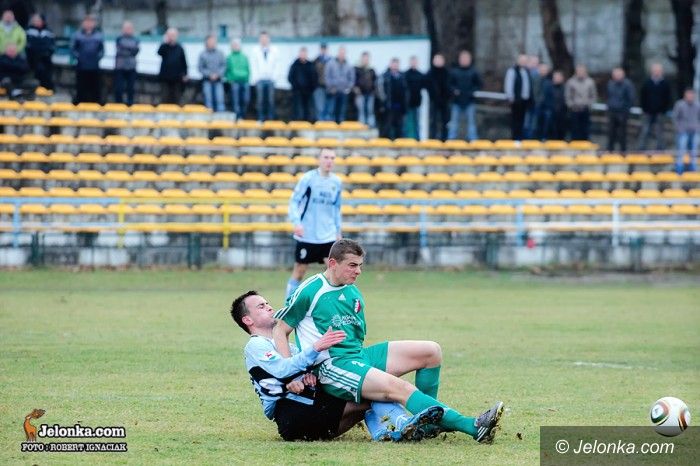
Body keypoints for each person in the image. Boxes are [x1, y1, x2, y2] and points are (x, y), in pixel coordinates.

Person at [273, 239, 505, 444]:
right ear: (333, 263)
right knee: (400, 388)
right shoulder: (310, 290)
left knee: (431, 351)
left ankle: (429, 424)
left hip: (358, 356)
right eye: (352, 265)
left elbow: (356, 337)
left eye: (360, 265)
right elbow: (280, 330)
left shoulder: (352, 292)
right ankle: (473, 426)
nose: (358, 271)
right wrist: (292, 373)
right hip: (332, 365)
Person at [230, 290, 443, 442]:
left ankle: (384, 432)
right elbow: (283, 370)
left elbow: (297, 369)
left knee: (367, 390)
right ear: (247, 320)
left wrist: (307, 375)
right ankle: (405, 422)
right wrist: (316, 348)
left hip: (311, 409)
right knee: (368, 389)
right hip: (294, 413)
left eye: (267, 303)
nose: (269, 307)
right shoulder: (256, 345)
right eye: (261, 306)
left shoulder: (288, 346)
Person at [285, 148, 342, 300]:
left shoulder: (336, 182)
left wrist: (338, 231)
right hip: (307, 235)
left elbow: (336, 208)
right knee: (299, 271)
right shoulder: (308, 179)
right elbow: (294, 201)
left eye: (332, 158)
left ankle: (330, 307)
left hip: (328, 235)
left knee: (333, 272)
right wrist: (297, 223)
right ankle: (288, 306)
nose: (329, 161)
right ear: (319, 159)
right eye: (326, 157)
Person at [638, 63, 672, 151]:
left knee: (660, 132)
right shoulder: (647, 83)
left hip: (660, 112)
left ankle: (660, 149)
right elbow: (642, 97)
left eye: (658, 70)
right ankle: (641, 149)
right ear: (652, 71)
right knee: (645, 131)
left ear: (661, 72)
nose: (656, 72)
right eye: (655, 70)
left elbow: (668, 98)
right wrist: (644, 109)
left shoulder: (665, 84)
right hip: (648, 112)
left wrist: (664, 110)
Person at [448, 50, 482, 141]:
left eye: (466, 58)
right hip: (457, 101)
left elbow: (479, 84)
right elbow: (449, 84)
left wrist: (472, 92)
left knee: (471, 122)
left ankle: (472, 138)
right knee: (454, 122)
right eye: (463, 58)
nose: (464, 60)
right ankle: (451, 138)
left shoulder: (474, 72)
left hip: (470, 101)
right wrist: (454, 90)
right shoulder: (454, 72)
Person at [71, 14, 104, 104]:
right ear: (83, 23)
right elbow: (73, 49)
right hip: (81, 66)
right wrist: (79, 58)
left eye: (90, 22)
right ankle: (80, 101)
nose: (88, 24)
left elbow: (101, 50)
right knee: (81, 86)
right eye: (87, 22)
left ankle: (95, 102)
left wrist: (97, 58)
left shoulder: (98, 36)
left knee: (95, 86)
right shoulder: (77, 35)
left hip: (94, 66)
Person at [250, 31, 280, 121]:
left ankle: (270, 119)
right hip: (260, 80)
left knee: (271, 100)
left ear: (269, 39)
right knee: (260, 100)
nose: (264, 40)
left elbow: (277, 65)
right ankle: (261, 118)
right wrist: (256, 78)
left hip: (271, 79)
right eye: (262, 38)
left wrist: (274, 78)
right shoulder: (255, 50)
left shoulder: (275, 50)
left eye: (265, 38)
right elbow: (253, 65)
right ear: (259, 39)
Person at [606, 67, 635, 153]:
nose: (617, 76)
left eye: (619, 74)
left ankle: (623, 151)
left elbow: (631, 98)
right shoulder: (610, 83)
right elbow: (608, 96)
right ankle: (610, 151)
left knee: (622, 133)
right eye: (615, 75)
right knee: (611, 132)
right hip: (612, 111)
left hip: (622, 112)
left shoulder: (628, 84)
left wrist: (626, 109)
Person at [504, 54, 532, 141]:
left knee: (522, 120)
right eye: (522, 60)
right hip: (516, 100)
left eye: (525, 61)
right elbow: (509, 85)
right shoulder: (512, 71)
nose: (523, 62)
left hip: (525, 100)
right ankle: (515, 138)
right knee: (515, 120)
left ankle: (520, 138)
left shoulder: (526, 71)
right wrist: (511, 97)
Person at [378, 58, 408, 140]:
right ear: (390, 64)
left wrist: (405, 104)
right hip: (389, 105)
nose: (395, 66)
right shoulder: (385, 76)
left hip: (399, 106)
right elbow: (381, 91)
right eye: (393, 64)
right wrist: (384, 102)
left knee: (399, 126)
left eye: (396, 64)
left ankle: (399, 141)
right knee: (387, 126)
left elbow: (405, 91)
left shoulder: (402, 76)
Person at [565, 64, 597, 141]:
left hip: (585, 109)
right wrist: (571, 106)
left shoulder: (590, 82)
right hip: (574, 109)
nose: (580, 72)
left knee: (585, 129)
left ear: (585, 71)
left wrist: (589, 105)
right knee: (574, 129)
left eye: (582, 71)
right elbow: (567, 95)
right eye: (579, 71)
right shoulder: (571, 82)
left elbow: (593, 95)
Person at [323, 46, 354, 123]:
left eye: (343, 53)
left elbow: (352, 78)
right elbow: (326, 76)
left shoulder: (349, 65)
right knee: (331, 109)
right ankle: (330, 124)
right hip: (332, 91)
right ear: (338, 53)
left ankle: (340, 124)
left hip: (343, 92)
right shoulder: (330, 63)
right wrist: (331, 87)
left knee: (341, 110)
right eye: (340, 53)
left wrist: (348, 88)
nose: (342, 55)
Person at [157, 27, 188, 105]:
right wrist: (165, 42)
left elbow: (184, 62)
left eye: (173, 35)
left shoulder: (180, 48)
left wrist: (185, 74)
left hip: (177, 77)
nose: (171, 37)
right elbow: (159, 52)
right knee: (164, 97)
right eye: (170, 35)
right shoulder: (164, 46)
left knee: (177, 98)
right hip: (165, 77)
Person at [672, 89, 700, 174]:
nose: (690, 97)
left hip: (695, 131)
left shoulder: (698, 105)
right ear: (685, 95)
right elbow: (675, 117)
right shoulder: (679, 105)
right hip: (683, 132)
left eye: (691, 95)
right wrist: (679, 128)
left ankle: (693, 167)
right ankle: (679, 167)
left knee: (694, 150)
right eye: (688, 95)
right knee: (681, 150)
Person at [25, 13, 54, 90]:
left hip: (45, 57)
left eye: (38, 20)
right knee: (39, 68)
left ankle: (47, 88)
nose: (36, 22)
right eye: (35, 20)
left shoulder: (48, 31)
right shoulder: (29, 30)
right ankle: (38, 87)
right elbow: (29, 45)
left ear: (43, 21)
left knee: (47, 68)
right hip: (32, 57)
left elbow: (51, 45)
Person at [288, 46, 318, 122]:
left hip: (308, 92)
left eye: (304, 53)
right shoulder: (294, 65)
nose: (303, 55)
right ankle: (298, 122)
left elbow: (314, 77)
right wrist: (296, 87)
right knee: (298, 109)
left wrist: (311, 88)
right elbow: (290, 77)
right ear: (299, 54)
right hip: (297, 92)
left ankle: (307, 122)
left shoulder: (310, 65)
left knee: (308, 109)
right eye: (302, 53)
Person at [197, 34, 226, 112]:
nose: (212, 43)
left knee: (220, 100)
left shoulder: (220, 53)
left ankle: (221, 117)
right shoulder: (202, 54)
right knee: (208, 100)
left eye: (214, 41)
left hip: (218, 80)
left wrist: (217, 74)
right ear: (206, 42)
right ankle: (209, 116)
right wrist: (209, 74)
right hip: (207, 80)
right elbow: (200, 68)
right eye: (211, 41)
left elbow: (224, 66)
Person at [113, 20, 139, 106]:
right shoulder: (119, 39)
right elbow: (120, 50)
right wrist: (130, 50)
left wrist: (126, 49)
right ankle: (118, 104)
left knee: (131, 88)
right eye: (126, 28)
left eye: (129, 28)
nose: (128, 30)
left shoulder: (135, 39)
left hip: (131, 67)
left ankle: (130, 104)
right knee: (119, 88)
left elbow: (135, 51)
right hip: (120, 66)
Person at [427, 53, 450, 141]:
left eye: (440, 60)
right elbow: (427, 85)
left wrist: (447, 96)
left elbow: (449, 86)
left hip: (444, 100)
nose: (438, 62)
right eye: (436, 60)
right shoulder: (430, 73)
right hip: (434, 100)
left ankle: (444, 138)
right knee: (433, 120)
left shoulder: (446, 73)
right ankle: (432, 137)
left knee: (445, 121)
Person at [225, 38, 249, 119]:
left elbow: (248, 69)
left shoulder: (244, 57)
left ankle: (243, 115)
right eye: (234, 45)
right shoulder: (229, 57)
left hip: (244, 81)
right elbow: (227, 70)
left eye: (237, 45)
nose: (236, 46)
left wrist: (247, 78)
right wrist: (229, 79)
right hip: (234, 81)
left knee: (246, 99)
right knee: (235, 101)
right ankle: (237, 117)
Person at [540, 70, 567, 140]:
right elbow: (545, 99)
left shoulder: (565, 88)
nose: (557, 78)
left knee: (561, 129)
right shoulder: (548, 87)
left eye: (558, 77)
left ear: (562, 78)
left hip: (561, 112)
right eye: (555, 77)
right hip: (550, 111)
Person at [404, 56, 426, 139]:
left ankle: (417, 139)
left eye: (415, 61)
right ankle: (405, 138)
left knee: (417, 122)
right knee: (406, 123)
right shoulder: (405, 74)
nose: (413, 63)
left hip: (417, 102)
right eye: (412, 61)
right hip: (407, 103)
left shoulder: (420, 75)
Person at [353, 51, 376, 128]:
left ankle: (371, 125)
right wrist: (356, 89)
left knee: (370, 111)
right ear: (361, 59)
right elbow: (354, 81)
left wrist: (374, 91)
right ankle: (361, 125)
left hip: (370, 94)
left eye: (367, 58)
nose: (366, 60)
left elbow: (375, 81)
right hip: (360, 94)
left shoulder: (372, 70)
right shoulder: (357, 69)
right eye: (364, 58)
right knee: (361, 111)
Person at [523, 55, 541, 139]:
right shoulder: (525, 73)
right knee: (526, 122)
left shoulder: (539, 75)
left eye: (536, 62)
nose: (534, 64)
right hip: (526, 102)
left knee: (534, 122)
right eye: (533, 62)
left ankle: (531, 138)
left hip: (535, 102)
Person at [313, 43, 331, 121]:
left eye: (325, 49)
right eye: (322, 49)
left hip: (329, 87)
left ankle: (328, 123)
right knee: (319, 107)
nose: (323, 51)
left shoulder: (331, 61)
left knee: (329, 107)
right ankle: (320, 122)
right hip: (319, 86)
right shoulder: (316, 61)